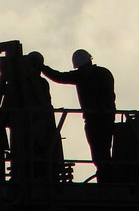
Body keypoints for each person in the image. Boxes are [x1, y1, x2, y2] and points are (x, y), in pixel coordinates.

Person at [41, 49, 116, 182]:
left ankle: (107, 177)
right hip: (97, 118)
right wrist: (43, 68)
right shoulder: (93, 74)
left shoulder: (96, 75)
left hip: (102, 118)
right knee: (99, 151)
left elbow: (109, 95)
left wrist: (41, 67)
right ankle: (106, 175)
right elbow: (60, 77)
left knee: (102, 149)